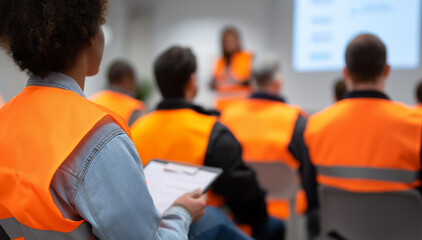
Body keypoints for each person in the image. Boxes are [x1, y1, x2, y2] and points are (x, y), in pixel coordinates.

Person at [0, 1, 251, 239]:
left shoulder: (5, 119)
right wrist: (181, 212)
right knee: (212, 220)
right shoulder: (96, 136)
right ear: (90, 35)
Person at [131, 46, 285, 240]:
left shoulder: (136, 128)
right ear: (192, 81)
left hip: (147, 228)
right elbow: (245, 194)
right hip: (200, 228)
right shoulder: (212, 131)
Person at [290, 34, 422, 238]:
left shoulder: (315, 125)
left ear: (345, 72)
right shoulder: (415, 125)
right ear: (387, 70)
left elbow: (312, 199)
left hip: (339, 234)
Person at [220, 54, 307, 220]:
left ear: (252, 82)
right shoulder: (296, 119)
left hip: (238, 213)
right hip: (285, 215)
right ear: (278, 82)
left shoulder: (228, 116)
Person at [90, 60, 146, 127]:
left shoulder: (92, 101)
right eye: (133, 80)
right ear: (126, 80)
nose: (136, 86)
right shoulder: (135, 108)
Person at [211, 26, 253, 111]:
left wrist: (239, 82)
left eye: (232, 40)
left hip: (242, 106)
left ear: (237, 41)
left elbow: (256, 82)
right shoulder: (219, 61)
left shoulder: (248, 58)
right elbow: (213, 83)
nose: (230, 44)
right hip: (221, 107)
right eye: (227, 41)